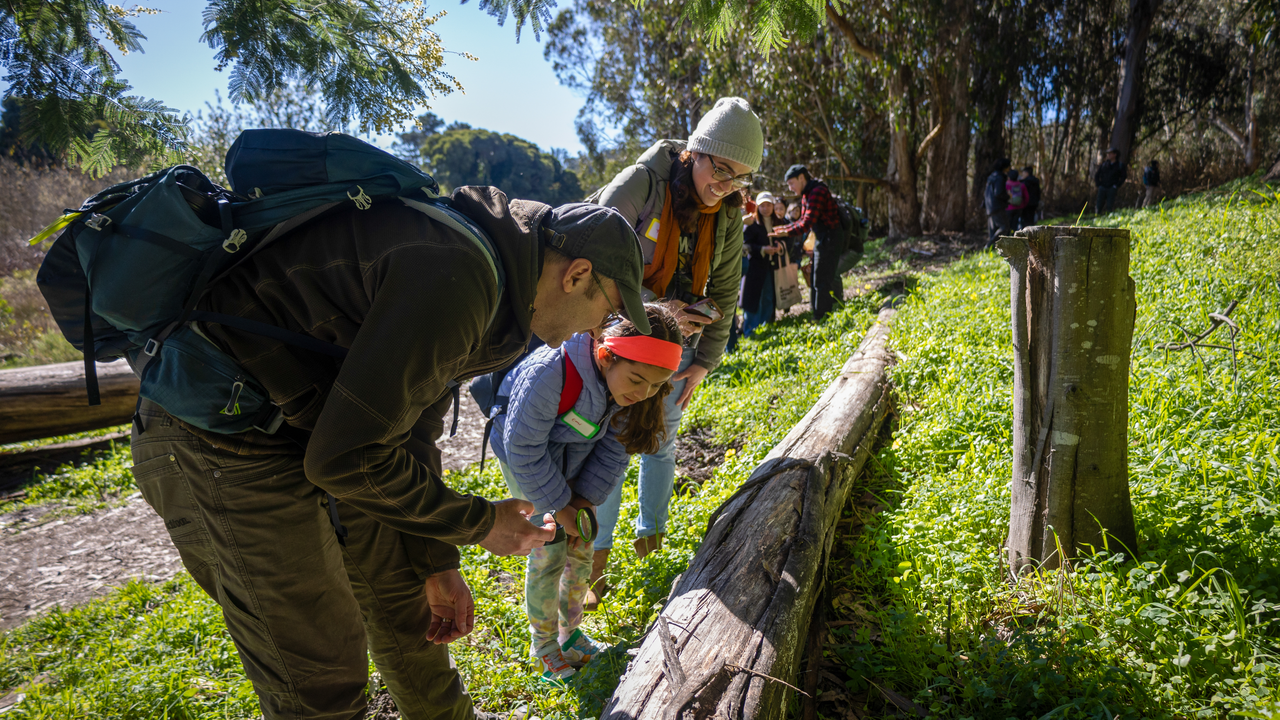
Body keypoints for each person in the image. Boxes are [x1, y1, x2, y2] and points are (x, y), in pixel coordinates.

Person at [130, 191, 650, 720]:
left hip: (315, 425)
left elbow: (411, 426)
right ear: (577, 274)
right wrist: (477, 524)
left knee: (409, 612)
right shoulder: (463, 273)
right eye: (606, 308)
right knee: (320, 674)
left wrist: (435, 559)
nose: (595, 328)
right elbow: (346, 458)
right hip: (222, 435)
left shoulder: (496, 287)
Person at [586, 96, 762, 604]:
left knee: (661, 440)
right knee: (613, 444)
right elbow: (591, 246)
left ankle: (650, 538)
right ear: (695, 152)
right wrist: (656, 307)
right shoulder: (644, 182)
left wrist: (706, 360)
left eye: (739, 178)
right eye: (721, 170)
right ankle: (597, 565)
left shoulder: (727, 212)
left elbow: (726, 290)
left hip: (677, 348)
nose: (725, 186)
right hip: (620, 336)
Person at [489, 304, 682, 681]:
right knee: (550, 551)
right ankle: (543, 648)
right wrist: (560, 506)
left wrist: (585, 501)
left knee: (581, 547)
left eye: (656, 386)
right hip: (527, 463)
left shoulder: (630, 392)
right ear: (607, 355)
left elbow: (613, 450)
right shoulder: (550, 374)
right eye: (637, 379)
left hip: (572, 460)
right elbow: (524, 449)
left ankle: (570, 634)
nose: (644, 393)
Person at [770, 165, 844, 320]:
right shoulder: (806, 194)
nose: (790, 188)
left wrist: (787, 231)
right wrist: (785, 227)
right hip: (821, 239)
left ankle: (822, 317)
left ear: (801, 178)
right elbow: (802, 220)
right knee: (815, 279)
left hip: (830, 239)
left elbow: (806, 223)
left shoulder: (817, 191)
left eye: (791, 183)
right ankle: (817, 315)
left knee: (822, 280)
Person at [742, 191, 783, 338]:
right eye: (762, 205)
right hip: (755, 268)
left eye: (768, 205)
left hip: (771, 268)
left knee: (768, 297)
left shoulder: (778, 222)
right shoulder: (752, 224)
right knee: (753, 299)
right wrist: (762, 249)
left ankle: (766, 327)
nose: (765, 208)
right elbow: (746, 244)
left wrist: (779, 247)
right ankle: (750, 331)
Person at [983, 157, 1011, 247]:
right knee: (1005, 227)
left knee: (993, 229)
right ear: (1005, 167)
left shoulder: (991, 176)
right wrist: (1008, 196)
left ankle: (992, 249)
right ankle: (989, 245)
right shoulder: (1000, 178)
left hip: (989, 206)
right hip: (997, 206)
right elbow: (998, 193)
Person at [1095, 147, 1126, 213]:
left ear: (1115, 154)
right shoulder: (1104, 164)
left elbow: (1123, 177)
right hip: (1102, 187)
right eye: (1108, 154)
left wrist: (1116, 185)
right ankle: (1097, 216)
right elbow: (1097, 175)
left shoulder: (1119, 165)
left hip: (1112, 188)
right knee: (1099, 204)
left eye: (1110, 154)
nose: (1108, 155)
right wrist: (1099, 184)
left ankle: (1108, 216)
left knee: (1110, 204)